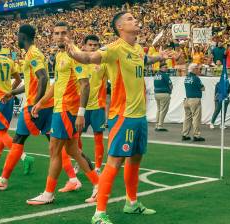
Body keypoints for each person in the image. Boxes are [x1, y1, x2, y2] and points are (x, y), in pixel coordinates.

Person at [65, 12, 173, 224]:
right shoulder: (114, 48)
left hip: (139, 116)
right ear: (120, 26)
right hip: (123, 116)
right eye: (131, 18)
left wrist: (160, 57)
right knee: (115, 161)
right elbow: (89, 57)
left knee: (135, 158)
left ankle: (131, 203)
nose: (136, 20)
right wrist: (73, 51)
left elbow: (144, 60)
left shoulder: (136, 48)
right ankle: (99, 213)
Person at [26, 21, 99, 205]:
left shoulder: (74, 54)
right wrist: (41, 102)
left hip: (68, 109)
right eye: (56, 33)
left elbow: (85, 84)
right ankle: (99, 186)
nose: (60, 36)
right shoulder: (59, 55)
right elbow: (56, 84)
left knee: (54, 150)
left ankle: (48, 194)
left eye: (63, 33)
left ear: (70, 34)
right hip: (61, 108)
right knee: (72, 149)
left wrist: (81, 113)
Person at [0, 25, 50, 189]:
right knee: (57, 143)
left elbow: (43, 78)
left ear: (22, 36)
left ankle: (6, 178)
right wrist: (12, 92)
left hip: (31, 105)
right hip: (41, 104)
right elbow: (28, 82)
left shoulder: (32, 53)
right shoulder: (18, 57)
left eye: (17, 36)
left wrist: (36, 103)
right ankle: (77, 179)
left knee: (12, 137)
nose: (16, 39)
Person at [58, 34, 107, 193]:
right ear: (84, 46)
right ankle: (80, 162)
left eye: (96, 45)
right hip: (81, 107)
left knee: (98, 137)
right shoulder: (78, 60)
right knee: (75, 138)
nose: (93, 47)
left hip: (98, 106)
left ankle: (98, 167)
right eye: (90, 45)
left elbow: (109, 82)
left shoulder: (103, 63)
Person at [0, 38, 33, 173]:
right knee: (2, 132)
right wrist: (10, 92)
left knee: (1, 133)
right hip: (8, 100)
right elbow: (19, 80)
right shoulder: (9, 60)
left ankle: (24, 157)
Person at [182, 63, 205, 142]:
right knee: (196, 118)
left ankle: (185, 134)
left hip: (187, 99)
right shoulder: (196, 78)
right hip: (195, 99)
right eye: (198, 69)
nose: (199, 70)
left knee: (187, 118)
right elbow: (203, 88)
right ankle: (196, 135)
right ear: (194, 69)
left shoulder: (187, 78)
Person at [154, 62, 172, 131]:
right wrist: (170, 91)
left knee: (159, 110)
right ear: (161, 68)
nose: (166, 68)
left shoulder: (156, 75)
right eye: (165, 67)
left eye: (167, 67)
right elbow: (170, 85)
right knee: (163, 110)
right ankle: (160, 125)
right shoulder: (165, 75)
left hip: (156, 93)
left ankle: (157, 124)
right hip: (164, 93)